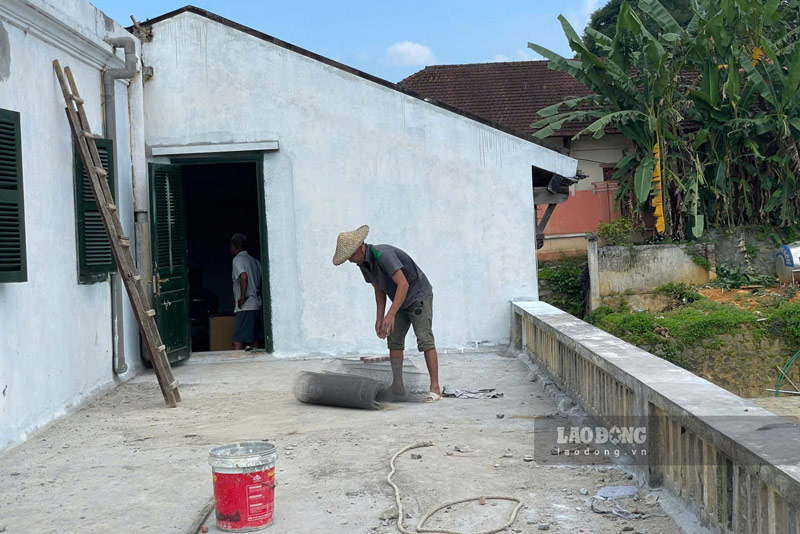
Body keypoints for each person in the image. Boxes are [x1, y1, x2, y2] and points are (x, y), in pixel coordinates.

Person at [333, 225, 441, 403]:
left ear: (360, 247)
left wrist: (391, 314)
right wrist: (380, 317)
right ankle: (398, 386)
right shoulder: (363, 264)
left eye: (350, 256)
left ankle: (435, 388)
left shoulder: (382, 255)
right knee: (394, 340)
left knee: (425, 338)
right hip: (400, 299)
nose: (350, 261)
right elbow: (378, 289)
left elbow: (403, 284)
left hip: (418, 295)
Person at [230, 234, 263, 350]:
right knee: (254, 339)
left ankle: (237, 365)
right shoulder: (255, 261)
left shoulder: (238, 259)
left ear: (234, 247)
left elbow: (243, 277)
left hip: (246, 306)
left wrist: (242, 298)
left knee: (238, 340)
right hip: (256, 304)